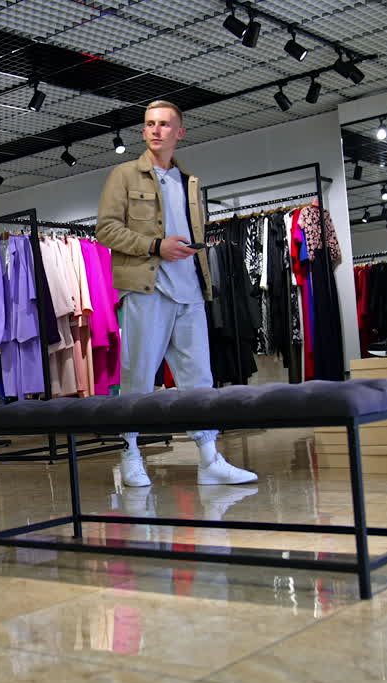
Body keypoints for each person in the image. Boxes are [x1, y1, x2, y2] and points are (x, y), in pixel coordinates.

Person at [95, 100, 258, 487]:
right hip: (146, 288)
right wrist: (156, 246)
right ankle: (130, 453)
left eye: (164, 124)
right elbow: (105, 229)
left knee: (199, 379)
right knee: (138, 376)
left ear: (179, 132)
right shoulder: (124, 175)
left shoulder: (190, 181)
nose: (155, 130)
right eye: (149, 124)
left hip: (190, 290)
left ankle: (209, 458)